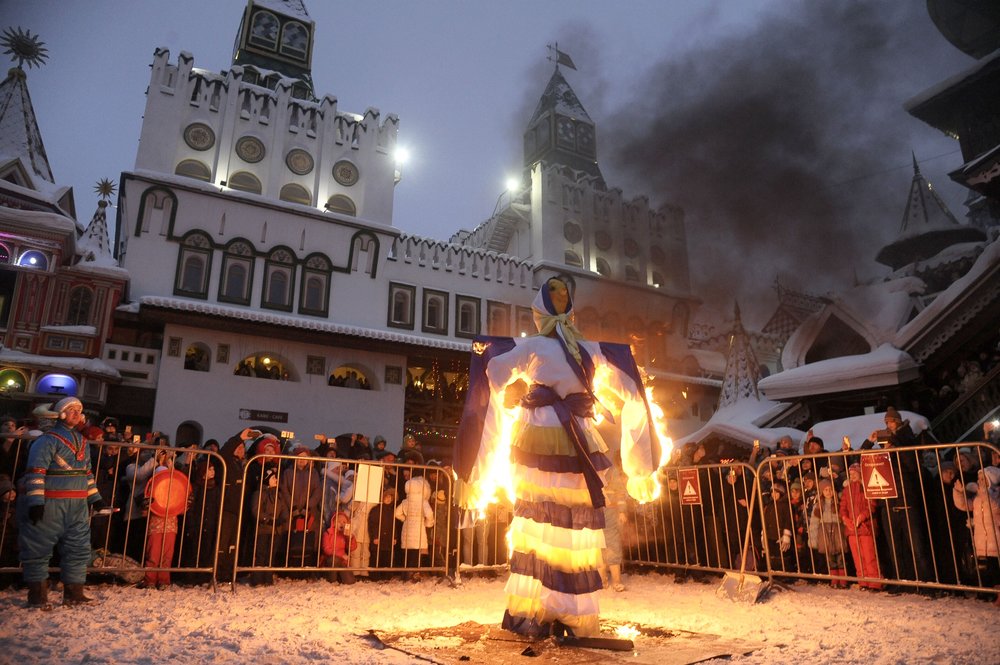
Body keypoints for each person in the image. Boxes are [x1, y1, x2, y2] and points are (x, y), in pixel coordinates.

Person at [454, 276, 660, 637]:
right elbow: (631, 386)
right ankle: (569, 612)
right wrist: (641, 465)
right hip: (578, 438)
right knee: (571, 525)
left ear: (538, 311)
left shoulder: (532, 347)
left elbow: (491, 368)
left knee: (539, 521)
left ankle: (539, 609)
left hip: (540, 437)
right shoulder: (592, 349)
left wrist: (477, 458)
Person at [16, 397, 103, 609]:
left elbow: (87, 474)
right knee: (38, 547)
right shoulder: (47, 441)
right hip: (51, 503)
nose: (76, 414)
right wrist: (36, 501)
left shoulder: (82, 441)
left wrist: (96, 498)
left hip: (77, 505)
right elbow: (36, 473)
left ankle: (74, 593)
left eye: (78, 410)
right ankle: (37, 596)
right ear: (60, 414)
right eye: (71, 410)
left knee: (78, 548)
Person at [840, 463, 883, 590]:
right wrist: (845, 519)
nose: (852, 475)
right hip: (852, 528)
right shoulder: (847, 489)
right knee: (857, 557)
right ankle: (863, 581)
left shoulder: (866, 487)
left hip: (865, 527)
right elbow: (843, 506)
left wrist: (861, 517)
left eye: (854, 473)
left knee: (869, 556)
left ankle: (875, 582)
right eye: (850, 473)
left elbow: (871, 504)